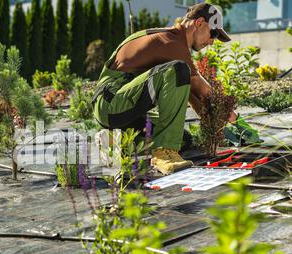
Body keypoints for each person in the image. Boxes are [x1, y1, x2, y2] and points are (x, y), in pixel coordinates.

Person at [92, 3, 256, 175]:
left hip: (124, 109)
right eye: (213, 33)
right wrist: (238, 122)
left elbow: (194, 97)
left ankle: (116, 141)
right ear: (199, 23)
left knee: (184, 140)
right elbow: (205, 92)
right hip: (110, 103)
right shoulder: (171, 42)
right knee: (179, 69)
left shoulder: (174, 41)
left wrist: (217, 130)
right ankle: (164, 154)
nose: (212, 41)